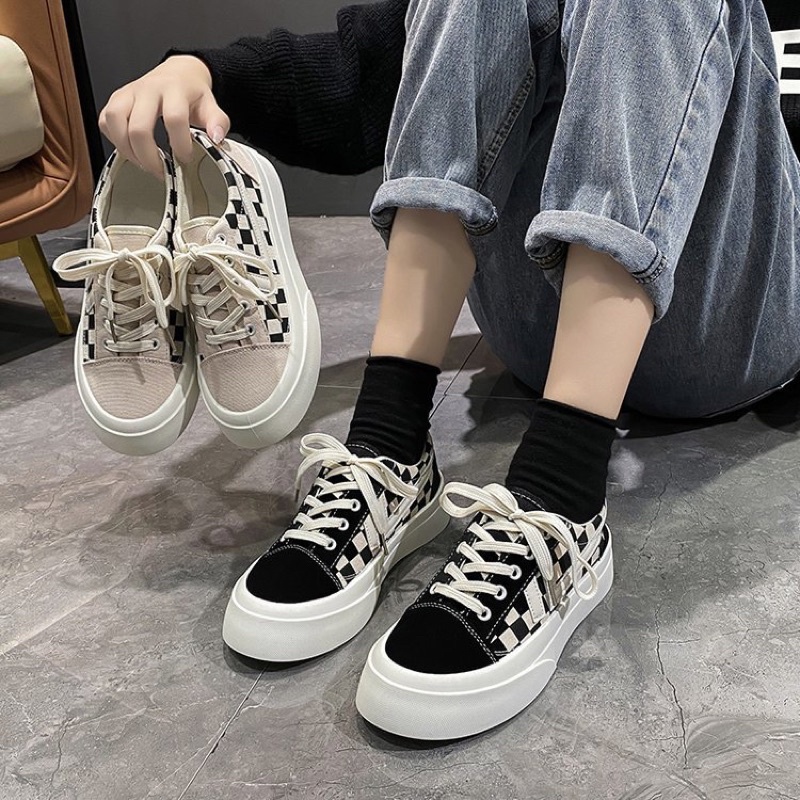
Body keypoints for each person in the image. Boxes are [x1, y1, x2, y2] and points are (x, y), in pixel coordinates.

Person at [98, 0, 800, 739]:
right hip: (545, 328)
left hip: (735, 321)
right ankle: (389, 446)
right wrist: (204, 72)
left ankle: (561, 490)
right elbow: (362, 75)